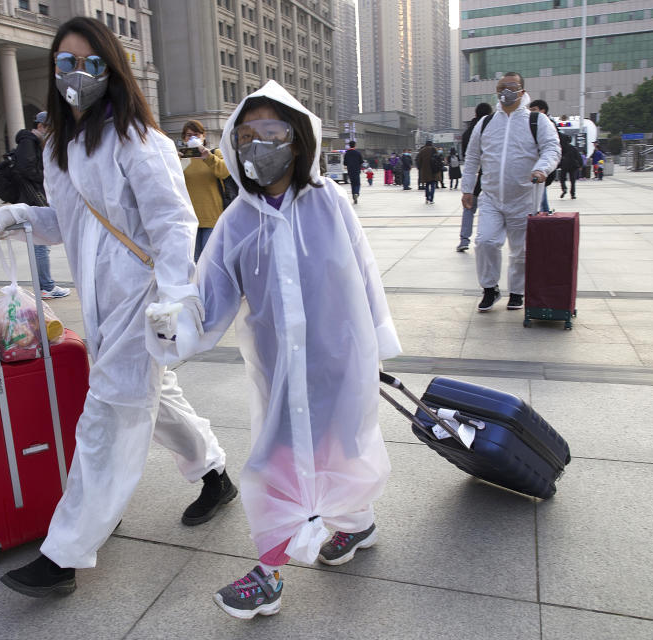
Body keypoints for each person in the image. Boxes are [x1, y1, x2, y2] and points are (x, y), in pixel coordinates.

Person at [0, 16, 234, 598]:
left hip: (141, 298)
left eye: (90, 63)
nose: (77, 75)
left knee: (111, 413)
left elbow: (173, 223)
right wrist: (24, 219)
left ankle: (65, 552)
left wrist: (176, 298)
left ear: (111, 70)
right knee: (153, 396)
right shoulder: (59, 147)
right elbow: (71, 225)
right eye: (65, 63)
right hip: (101, 304)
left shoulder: (137, 140)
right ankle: (215, 475)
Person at [148, 80, 400, 620]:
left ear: (297, 138)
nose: (259, 144)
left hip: (340, 359)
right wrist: (172, 328)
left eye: (272, 132)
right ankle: (270, 573)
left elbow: (365, 272)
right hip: (282, 370)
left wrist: (378, 345)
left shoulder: (329, 202)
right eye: (246, 135)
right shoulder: (237, 220)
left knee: (342, 448)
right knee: (277, 462)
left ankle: (356, 524)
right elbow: (209, 299)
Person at [461, 72, 560, 313]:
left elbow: (552, 149)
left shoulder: (536, 121)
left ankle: (517, 292)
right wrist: (467, 189)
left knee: (521, 250)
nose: (507, 90)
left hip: (524, 196)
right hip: (492, 197)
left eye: (512, 86)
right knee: (485, 241)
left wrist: (541, 169)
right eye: (502, 86)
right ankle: (489, 288)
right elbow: (472, 157)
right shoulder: (486, 123)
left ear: (523, 91)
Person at [12, 111, 70, 300]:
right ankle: (46, 286)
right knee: (41, 244)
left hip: (34, 195)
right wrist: (45, 178)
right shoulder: (28, 142)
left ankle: (44, 284)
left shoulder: (33, 142)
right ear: (40, 127)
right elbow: (26, 169)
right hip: (33, 196)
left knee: (40, 244)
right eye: (50, 128)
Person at [179, 119, 232, 260]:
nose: (193, 138)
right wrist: (175, 161)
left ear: (204, 136)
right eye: (189, 135)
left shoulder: (215, 153)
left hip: (212, 218)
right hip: (188, 221)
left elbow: (225, 172)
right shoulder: (180, 159)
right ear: (184, 138)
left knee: (210, 263)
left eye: (197, 134)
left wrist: (208, 157)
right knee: (194, 264)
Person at [457, 103, 493, 251]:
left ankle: (464, 240)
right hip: (488, 177)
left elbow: (468, 158)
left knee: (469, 209)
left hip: (473, 178)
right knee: (491, 211)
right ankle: (487, 240)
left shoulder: (467, 132)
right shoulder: (490, 128)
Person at [529, 99, 552, 212]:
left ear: (543, 110)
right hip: (536, 171)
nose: (531, 113)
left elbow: (552, 149)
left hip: (542, 170)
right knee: (541, 200)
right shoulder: (532, 124)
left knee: (541, 203)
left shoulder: (547, 125)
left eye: (534, 110)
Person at [558, 132, 582, 199]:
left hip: (564, 165)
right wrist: (580, 165)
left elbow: (558, 157)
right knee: (572, 181)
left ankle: (564, 188)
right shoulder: (573, 148)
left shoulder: (562, 148)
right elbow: (578, 157)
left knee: (562, 179)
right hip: (573, 166)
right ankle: (573, 194)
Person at [416, 140, 439, 204]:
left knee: (427, 185)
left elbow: (418, 160)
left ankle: (427, 198)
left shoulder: (422, 151)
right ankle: (431, 199)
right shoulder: (434, 149)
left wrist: (420, 168)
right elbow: (438, 159)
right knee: (433, 185)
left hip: (425, 171)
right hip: (433, 170)